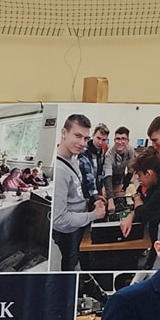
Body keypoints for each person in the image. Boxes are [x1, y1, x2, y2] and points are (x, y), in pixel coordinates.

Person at [50, 113, 102, 271]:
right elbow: (59, 219)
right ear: (64, 133)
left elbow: (77, 192)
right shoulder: (59, 170)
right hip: (68, 231)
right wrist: (93, 215)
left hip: (78, 223)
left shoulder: (73, 157)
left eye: (85, 138)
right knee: (70, 262)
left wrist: (93, 201)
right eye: (78, 136)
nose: (82, 143)